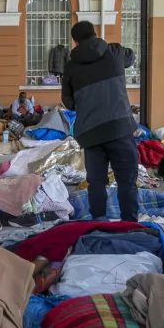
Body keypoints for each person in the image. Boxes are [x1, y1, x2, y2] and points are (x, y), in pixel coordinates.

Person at [61, 21, 139, 222]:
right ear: (95, 33)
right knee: (127, 182)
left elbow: (68, 103)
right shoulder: (114, 52)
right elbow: (131, 58)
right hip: (120, 128)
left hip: (91, 133)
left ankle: (99, 223)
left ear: (75, 41)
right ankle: (129, 225)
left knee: (96, 183)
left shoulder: (70, 67)